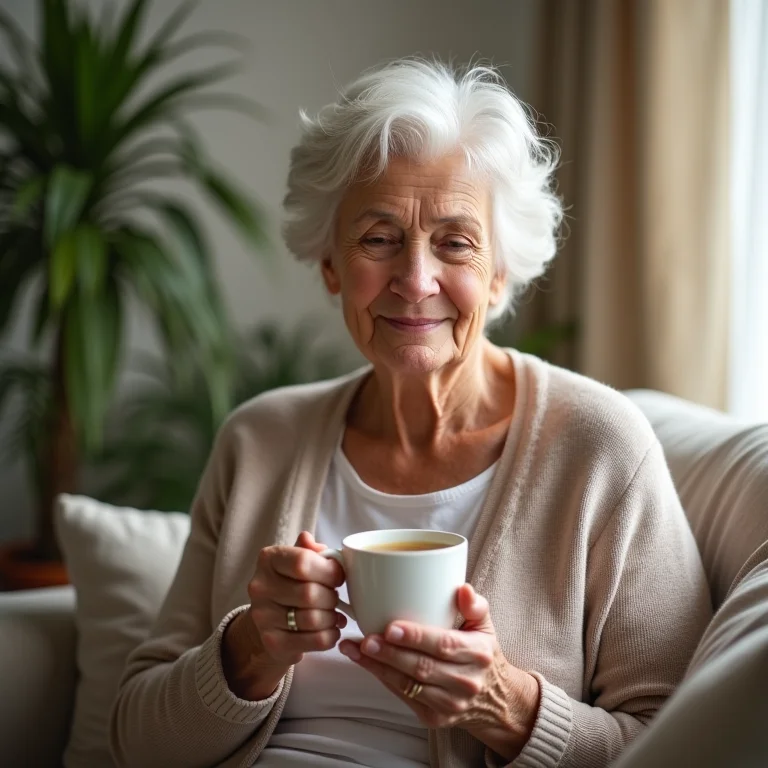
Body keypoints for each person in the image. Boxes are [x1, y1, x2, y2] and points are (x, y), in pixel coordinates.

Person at [110, 59, 711, 768]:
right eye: (378, 238)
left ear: (499, 271)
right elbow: (134, 741)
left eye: (455, 242)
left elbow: (685, 745)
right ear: (330, 264)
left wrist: (507, 704)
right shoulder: (259, 439)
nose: (416, 279)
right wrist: (248, 650)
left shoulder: (600, 449)